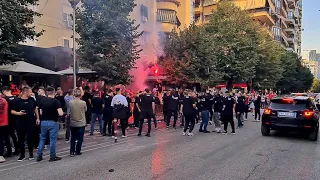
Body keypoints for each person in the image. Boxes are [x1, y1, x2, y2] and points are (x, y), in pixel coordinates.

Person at [12, 87, 40, 162]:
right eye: (30, 92)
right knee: (21, 138)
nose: (31, 94)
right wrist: (19, 113)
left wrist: (37, 118)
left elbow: (35, 109)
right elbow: (12, 111)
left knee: (30, 138)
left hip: (30, 121)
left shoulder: (32, 99)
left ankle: (31, 153)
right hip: (21, 122)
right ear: (25, 92)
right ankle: (22, 154)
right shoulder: (17, 101)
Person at [37, 87, 63, 162]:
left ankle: (39, 155)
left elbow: (41, 112)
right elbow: (60, 113)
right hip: (53, 122)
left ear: (47, 92)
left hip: (44, 122)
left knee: (42, 139)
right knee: (52, 140)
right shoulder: (56, 101)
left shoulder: (42, 100)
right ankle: (52, 156)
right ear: (54, 92)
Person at [69, 88, 87, 157]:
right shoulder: (83, 102)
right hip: (81, 122)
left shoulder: (70, 102)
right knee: (80, 138)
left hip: (73, 122)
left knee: (73, 137)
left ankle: (72, 151)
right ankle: (78, 150)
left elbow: (69, 110)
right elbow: (85, 110)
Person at [2, 86, 19, 156]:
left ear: (4, 91)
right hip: (16, 119)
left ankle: (9, 151)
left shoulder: (4, 100)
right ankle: (17, 149)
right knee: (15, 135)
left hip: (7, 120)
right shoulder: (16, 99)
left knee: (6, 136)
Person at [0, 90, 9, 163]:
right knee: (3, 138)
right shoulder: (4, 100)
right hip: (4, 122)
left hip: (2, 122)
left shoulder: (3, 101)